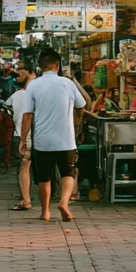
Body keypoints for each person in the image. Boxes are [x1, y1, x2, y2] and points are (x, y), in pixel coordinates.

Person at [20, 47, 83, 222]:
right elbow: (82, 105)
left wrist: (23, 139)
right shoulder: (68, 84)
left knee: (44, 177)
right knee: (68, 172)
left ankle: (45, 212)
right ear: (57, 66)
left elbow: (27, 115)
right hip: (66, 140)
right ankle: (64, 202)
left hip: (42, 141)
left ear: (41, 67)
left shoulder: (33, 85)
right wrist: (77, 123)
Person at [5, 74, 34, 211]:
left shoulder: (16, 95)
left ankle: (26, 199)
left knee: (24, 168)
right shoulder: (33, 95)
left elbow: (6, 109)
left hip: (22, 134)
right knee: (27, 168)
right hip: (33, 135)